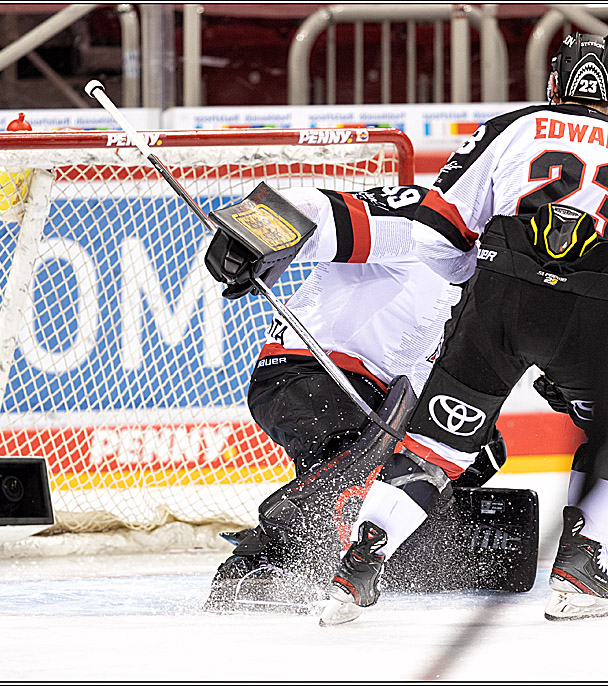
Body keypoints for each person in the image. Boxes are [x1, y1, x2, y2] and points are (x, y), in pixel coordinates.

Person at [321, 33, 608, 625]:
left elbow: (438, 233)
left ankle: (358, 566)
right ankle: (581, 567)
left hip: (500, 299)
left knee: (435, 445)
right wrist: (580, 374)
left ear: (554, 85)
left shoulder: (514, 126)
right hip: (595, 316)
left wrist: (478, 283)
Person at [202, 183, 515, 613]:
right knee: (363, 453)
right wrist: (253, 234)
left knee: (478, 453)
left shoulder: (495, 279)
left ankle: (300, 560)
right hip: (312, 373)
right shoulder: (428, 220)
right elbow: (319, 211)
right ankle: (262, 552)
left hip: (375, 398)